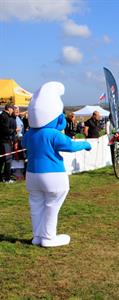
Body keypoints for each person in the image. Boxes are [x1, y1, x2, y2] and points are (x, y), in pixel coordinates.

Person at [22, 81, 92, 247]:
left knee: (36, 205)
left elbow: (24, 144)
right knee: (52, 204)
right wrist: (86, 144)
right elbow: (71, 146)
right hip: (53, 174)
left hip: (31, 175)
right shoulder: (53, 134)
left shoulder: (29, 134)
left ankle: (37, 236)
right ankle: (48, 237)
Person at [0, 104, 16, 183]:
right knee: (8, 160)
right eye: (12, 109)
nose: (13, 110)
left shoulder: (1, 115)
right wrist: (14, 130)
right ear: (9, 109)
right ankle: (7, 179)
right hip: (5, 141)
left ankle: (1, 178)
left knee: (1, 160)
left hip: (2, 141)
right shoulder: (5, 117)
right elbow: (5, 130)